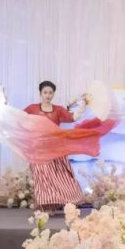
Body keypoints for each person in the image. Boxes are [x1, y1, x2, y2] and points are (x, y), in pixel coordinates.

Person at [24, 80, 87, 212]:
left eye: (50, 93)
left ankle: (65, 200)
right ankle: (45, 204)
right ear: (40, 93)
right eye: (45, 92)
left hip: (55, 148)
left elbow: (72, 118)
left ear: (53, 94)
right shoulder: (32, 108)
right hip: (38, 149)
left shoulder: (58, 110)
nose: (48, 95)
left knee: (61, 176)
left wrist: (82, 106)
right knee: (42, 176)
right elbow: (18, 118)